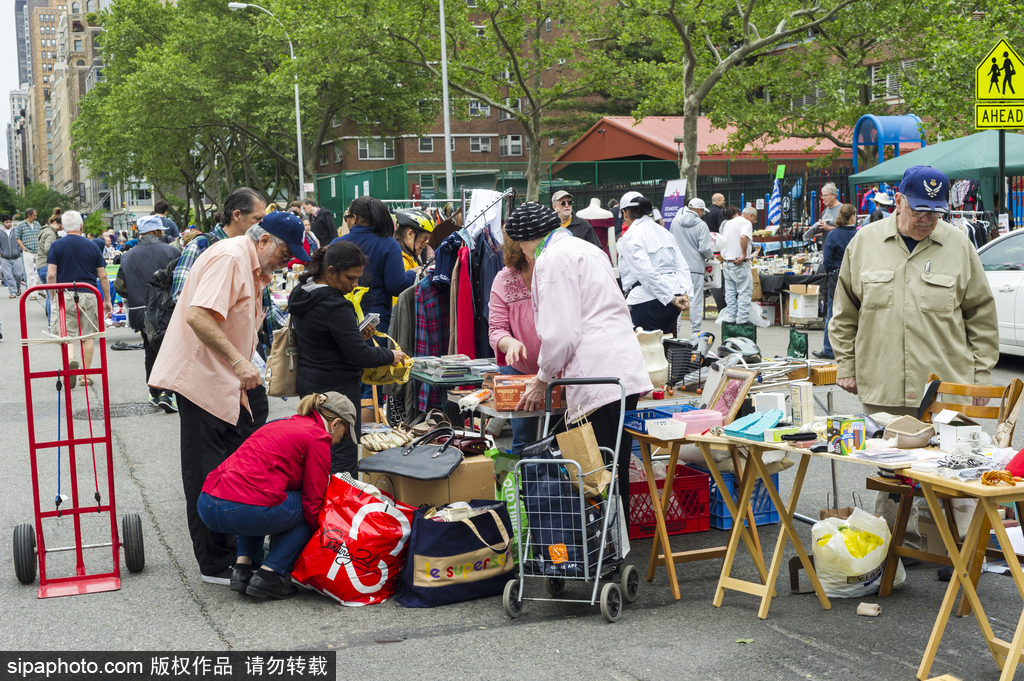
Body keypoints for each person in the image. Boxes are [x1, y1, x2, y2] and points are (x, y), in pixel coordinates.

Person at [831, 165, 999, 552]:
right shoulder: (864, 243)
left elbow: (981, 316)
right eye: (919, 209)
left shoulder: (959, 246)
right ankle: (891, 549)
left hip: (946, 384)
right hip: (883, 380)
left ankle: (956, 550)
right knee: (891, 472)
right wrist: (846, 366)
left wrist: (980, 377)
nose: (927, 219)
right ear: (899, 201)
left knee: (955, 469)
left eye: (935, 211)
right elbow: (845, 313)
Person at [149, 210, 307, 585]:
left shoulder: (253, 265)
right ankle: (214, 562)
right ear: (264, 239)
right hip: (203, 378)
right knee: (207, 474)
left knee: (240, 467)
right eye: (286, 251)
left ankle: (240, 551)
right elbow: (199, 316)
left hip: (229, 379)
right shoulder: (231, 257)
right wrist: (239, 361)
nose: (289, 260)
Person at [508, 202, 653, 522]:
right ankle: (617, 541)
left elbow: (561, 333)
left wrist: (542, 378)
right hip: (621, 370)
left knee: (594, 467)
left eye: (520, 244)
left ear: (527, 240)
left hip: (595, 375)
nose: (522, 251)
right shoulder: (586, 248)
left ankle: (604, 547)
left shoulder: (550, 259)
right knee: (615, 464)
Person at [197, 392, 355, 599]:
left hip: (207, 503)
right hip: (241, 509)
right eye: (344, 434)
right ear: (334, 424)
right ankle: (269, 576)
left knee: (260, 495)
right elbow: (313, 500)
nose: (340, 440)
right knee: (315, 510)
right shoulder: (318, 437)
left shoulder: (279, 423)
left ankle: (242, 569)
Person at [287, 241, 406, 476]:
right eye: (350, 278)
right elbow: (360, 355)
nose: (354, 285)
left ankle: (318, 505)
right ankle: (338, 508)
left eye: (358, 279)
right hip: (337, 391)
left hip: (310, 383)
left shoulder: (302, 293)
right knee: (341, 456)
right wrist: (390, 355)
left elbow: (326, 338)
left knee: (318, 452)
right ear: (330, 271)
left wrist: (354, 334)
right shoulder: (334, 305)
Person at [114, 215, 179, 411]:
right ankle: (169, 393)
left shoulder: (128, 255)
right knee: (171, 351)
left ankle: (154, 392)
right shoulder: (173, 251)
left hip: (140, 311)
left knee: (150, 350)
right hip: (169, 310)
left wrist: (134, 294)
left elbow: (120, 287)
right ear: (156, 232)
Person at [488, 236, 542, 457]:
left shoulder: (557, 274)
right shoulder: (504, 279)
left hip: (561, 373)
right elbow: (496, 329)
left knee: (562, 438)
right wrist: (510, 343)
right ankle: (526, 488)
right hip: (519, 372)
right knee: (524, 441)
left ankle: (557, 489)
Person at [332, 196, 415, 334]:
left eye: (346, 218)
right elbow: (396, 286)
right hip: (375, 324)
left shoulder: (336, 244)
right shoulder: (389, 244)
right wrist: (413, 273)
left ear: (355, 218)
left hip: (340, 318)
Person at [45, 211, 112, 381]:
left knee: (67, 334)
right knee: (87, 335)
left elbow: (51, 275)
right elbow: (103, 276)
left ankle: (71, 359)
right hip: (88, 293)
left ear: (62, 227)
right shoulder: (92, 246)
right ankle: (86, 374)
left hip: (65, 294)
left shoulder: (56, 245)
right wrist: (107, 300)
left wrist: (52, 296)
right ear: (81, 226)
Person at [617, 191, 691, 335]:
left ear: (625, 213)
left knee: (645, 353)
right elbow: (681, 266)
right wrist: (683, 293)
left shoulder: (631, 235)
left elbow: (646, 273)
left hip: (648, 301)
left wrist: (672, 298)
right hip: (672, 299)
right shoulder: (665, 232)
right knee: (664, 350)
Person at [813, 203, 858, 360]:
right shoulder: (860, 234)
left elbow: (827, 260)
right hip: (856, 275)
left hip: (837, 275)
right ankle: (854, 349)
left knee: (832, 313)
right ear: (853, 216)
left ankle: (829, 349)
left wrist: (832, 271)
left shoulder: (834, 235)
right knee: (857, 313)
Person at [670, 198, 714, 339]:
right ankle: (696, 332)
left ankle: (675, 331)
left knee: (678, 298)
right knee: (695, 300)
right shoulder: (701, 225)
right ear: (699, 210)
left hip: (677, 267)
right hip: (695, 267)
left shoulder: (676, 221)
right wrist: (711, 255)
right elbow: (705, 248)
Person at [720, 206, 755, 325]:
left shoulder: (728, 223)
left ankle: (731, 316)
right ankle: (742, 319)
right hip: (739, 262)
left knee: (730, 292)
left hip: (727, 262)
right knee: (744, 291)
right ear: (751, 215)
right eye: (754, 219)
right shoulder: (746, 223)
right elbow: (743, 237)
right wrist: (744, 254)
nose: (753, 222)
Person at [37, 215, 61, 323]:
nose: (61, 229)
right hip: (47, 265)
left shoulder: (44, 230)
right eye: (60, 226)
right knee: (51, 295)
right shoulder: (51, 233)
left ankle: (51, 321)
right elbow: (48, 249)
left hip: (40, 264)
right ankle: (52, 321)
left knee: (48, 292)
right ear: (55, 222)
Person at [16, 208, 41, 299]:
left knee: (40, 271)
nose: (36, 217)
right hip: (28, 252)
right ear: (29, 215)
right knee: (30, 273)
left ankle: (42, 290)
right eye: (34, 215)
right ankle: (33, 294)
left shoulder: (37, 224)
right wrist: (24, 248)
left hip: (38, 251)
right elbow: (17, 238)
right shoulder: (20, 225)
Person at [1, 214, 27, 298]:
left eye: (10, 222)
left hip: (17, 256)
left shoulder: (16, 230)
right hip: (4, 257)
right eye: (6, 222)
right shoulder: (0, 232)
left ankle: (18, 288)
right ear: (3, 223)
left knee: (18, 274)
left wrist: (19, 250)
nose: (9, 224)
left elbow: (21, 240)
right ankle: (13, 292)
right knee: (8, 276)